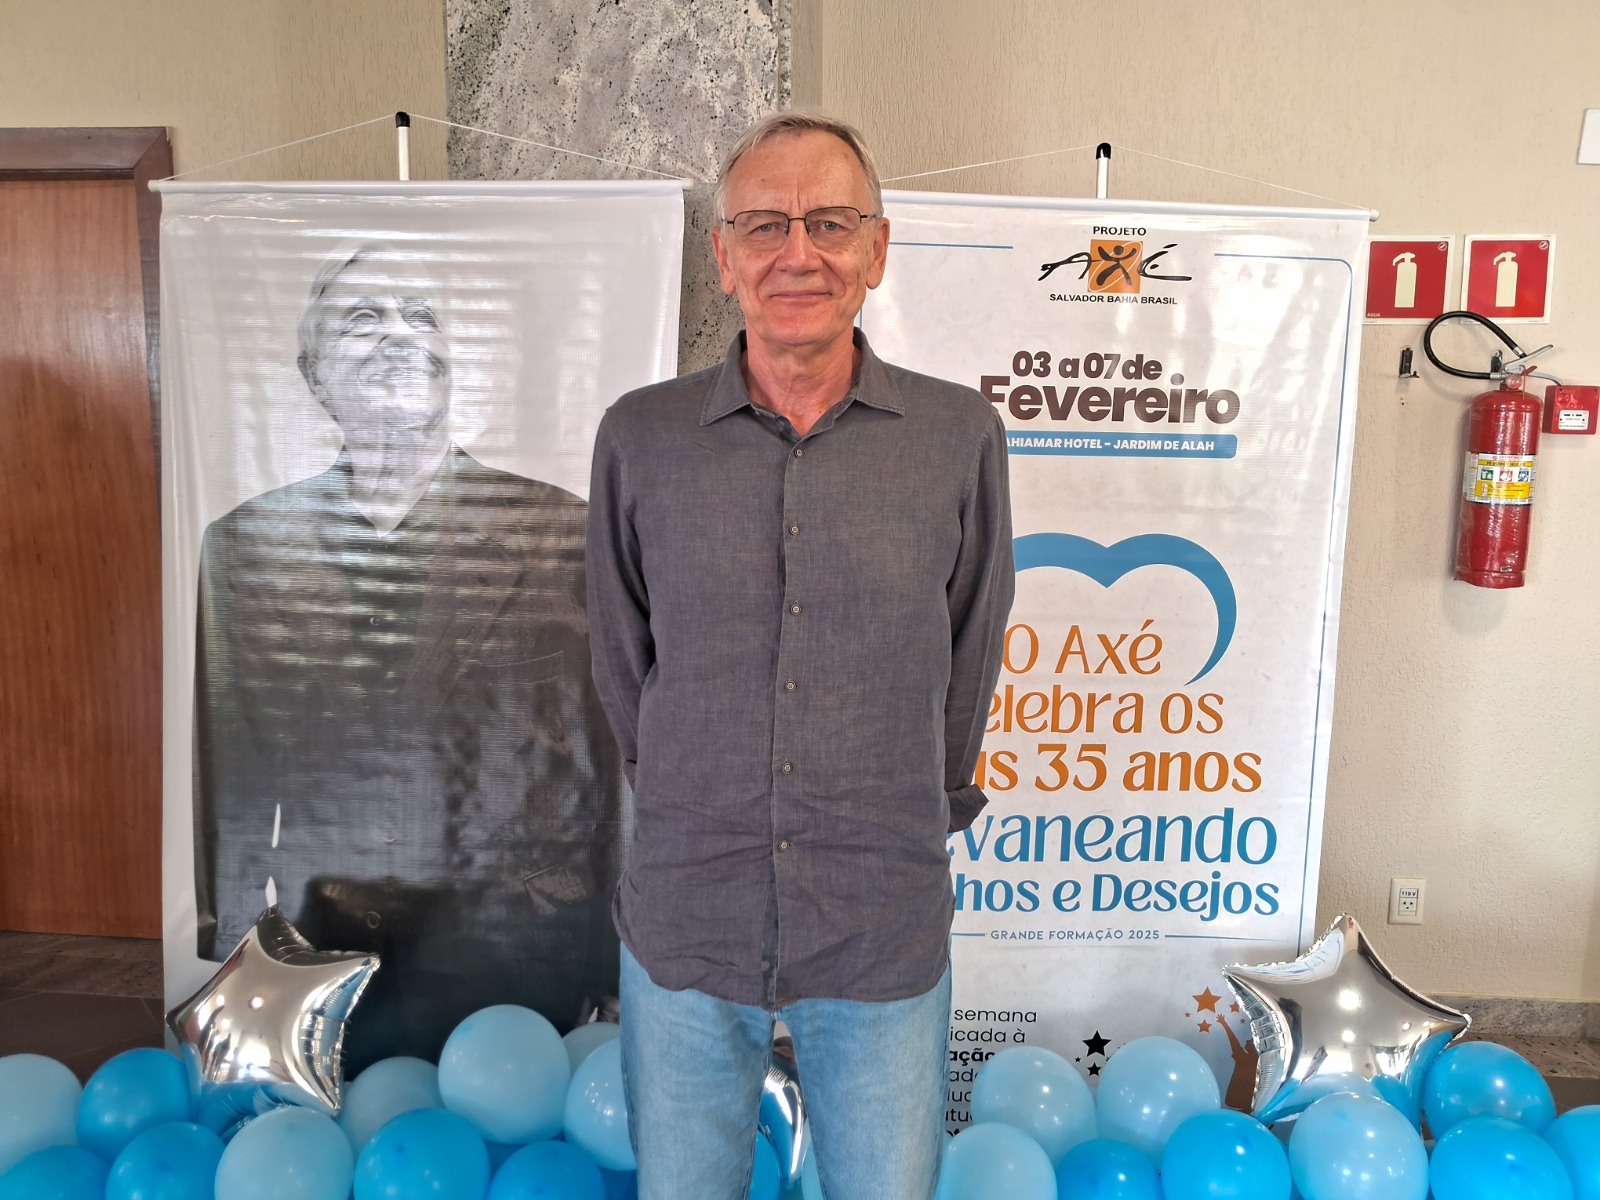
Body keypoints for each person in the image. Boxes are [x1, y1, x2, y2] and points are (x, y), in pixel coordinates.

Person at [587, 114, 1014, 1200]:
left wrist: (914, 807)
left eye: (830, 222)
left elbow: (970, 650)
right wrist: (691, 787)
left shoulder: (957, 438)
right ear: (723, 256)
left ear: (877, 248)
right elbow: (624, 663)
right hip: (689, 909)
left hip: (878, 910)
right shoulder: (639, 438)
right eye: (765, 225)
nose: (799, 253)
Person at [193, 243, 627, 1070]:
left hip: (519, 944)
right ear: (313, 373)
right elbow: (234, 770)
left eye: (421, 316)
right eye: (365, 318)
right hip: (323, 946)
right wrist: (237, 940)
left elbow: (612, 758)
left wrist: (615, 955)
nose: (401, 335)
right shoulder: (249, 546)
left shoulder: (559, 534)